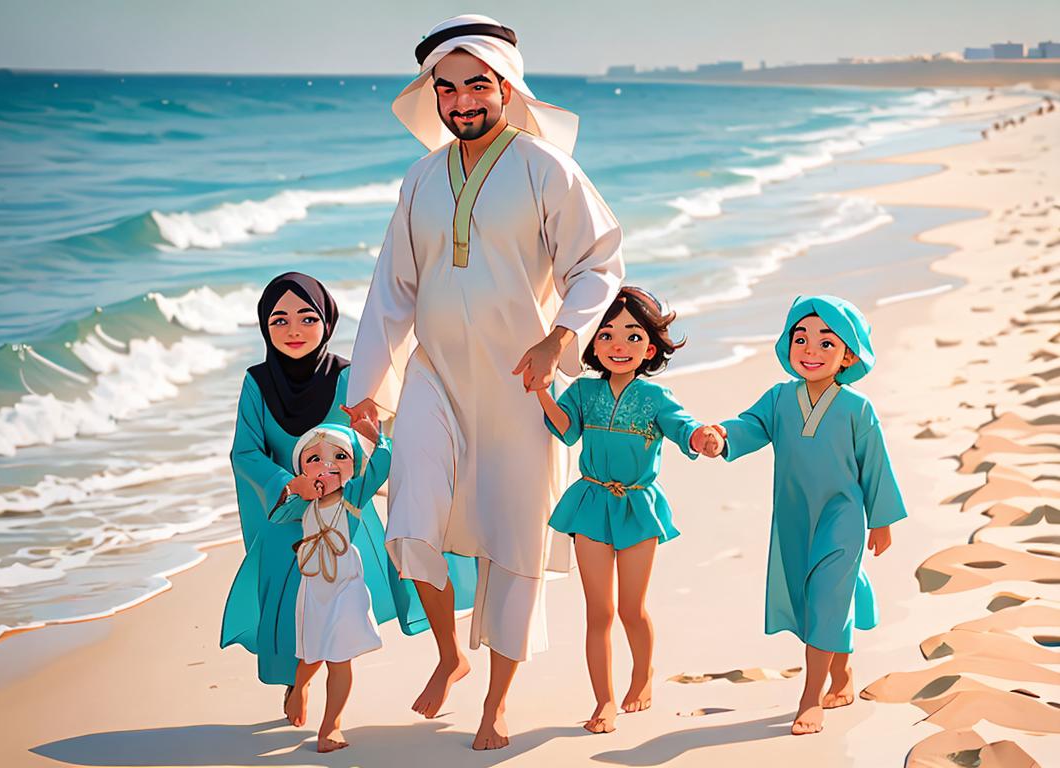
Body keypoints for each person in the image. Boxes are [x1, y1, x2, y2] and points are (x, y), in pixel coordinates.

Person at [345, 14, 625, 749]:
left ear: (506, 87)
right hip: (435, 377)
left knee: (512, 540)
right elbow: (392, 288)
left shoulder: (545, 169)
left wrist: (559, 338)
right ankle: (449, 654)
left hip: (520, 386)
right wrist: (368, 386)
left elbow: (597, 263)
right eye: (447, 88)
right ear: (432, 95)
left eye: (477, 84)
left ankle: (496, 701)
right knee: (411, 516)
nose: (462, 99)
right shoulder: (420, 178)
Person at [220, 273, 445, 711]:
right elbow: (245, 452)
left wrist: (344, 470)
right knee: (288, 607)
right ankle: (296, 684)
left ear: (327, 322)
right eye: (279, 320)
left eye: (307, 318)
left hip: (338, 516)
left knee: (337, 608)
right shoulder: (256, 382)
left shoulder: (348, 377)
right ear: (265, 326)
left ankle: (332, 712)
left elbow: (368, 441)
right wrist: (290, 483)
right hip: (284, 515)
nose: (294, 330)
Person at [701, 295, 907, 735]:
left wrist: (881, 519)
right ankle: (843, 675)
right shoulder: (779, 399)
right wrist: (721, 436)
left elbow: (875, 465)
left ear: (848, 355)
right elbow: (750, 426)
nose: (811, 350)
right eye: (801, 339)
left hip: (842, 517)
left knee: (827, 597)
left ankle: (810, 697)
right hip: (795, 518)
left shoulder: (857, 409)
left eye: (826, 343)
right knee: (817, 598)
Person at [534, 287, 723, 734]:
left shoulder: (656, 398)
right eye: (607, 335)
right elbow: (566, 430)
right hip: (591, 503)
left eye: (634, 336)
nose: (619, 345)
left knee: (631, 609)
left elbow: (685, 428)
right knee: (598, 611)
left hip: (638, 507)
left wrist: (704, 438)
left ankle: (642, 675)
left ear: (651, 348)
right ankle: (604, 700)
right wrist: (542, 391)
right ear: (592, 343)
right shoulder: (583, 391)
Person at [275, 423, 390, 752]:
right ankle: (299, 688)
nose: (327, 465)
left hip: (345, 587)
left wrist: (375, 436)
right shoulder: (305, 505)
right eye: (314, 459)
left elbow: (382, 466)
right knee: (312, 652)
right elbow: (276, 516)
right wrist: (292, 488)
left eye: (339, 457)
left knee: (339, 657)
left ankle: (330, 727)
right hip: (314, 588)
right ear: (302, 469)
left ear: (353, 466)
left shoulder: (353, 496)